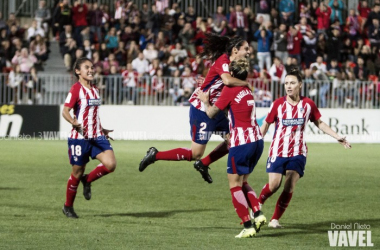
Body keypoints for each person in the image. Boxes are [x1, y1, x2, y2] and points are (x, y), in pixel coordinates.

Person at [139, 34, 250, 183]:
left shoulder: (234, 66)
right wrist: (246, 84)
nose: (249, 52)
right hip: (202, 110)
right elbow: (227, 81)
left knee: (233, 141)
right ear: (235, 50)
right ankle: (155, 155)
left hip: (215, 110)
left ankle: (204, 164)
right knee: (196, 154)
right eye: (246, 49)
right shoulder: (223, 60)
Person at [257, 68, 351, 228]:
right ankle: (257, 205)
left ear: (300, 85)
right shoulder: (278, 104)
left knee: (289, 185)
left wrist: (337, 137)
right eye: (286, 83)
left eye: (292, 83)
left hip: (298, 152)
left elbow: (319, 123)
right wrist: (256, 142)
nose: (288, 86)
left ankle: (274, 220)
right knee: (274, 185)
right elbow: (266, 124)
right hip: (278, 151)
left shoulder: (308, 104)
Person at [197, 58, 266, 238]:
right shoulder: (247, 89)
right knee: (243, 182)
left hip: (242, 142)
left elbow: (211, 114)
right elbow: (235, 109)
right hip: (257, 140)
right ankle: (258, 213)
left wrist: (205, 100)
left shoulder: (230, 89)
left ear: (232, 75)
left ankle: (247, 224)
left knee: (234, 185)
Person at [62, 58, 116, 218]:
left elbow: (93, 114)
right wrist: (73, 122)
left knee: (111, 164)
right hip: (79, 138)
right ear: (78, 71)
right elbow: (65, 111)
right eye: (87, 67)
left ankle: (88, 180)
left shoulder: (95, 90)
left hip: (97, 136)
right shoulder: (76, 89)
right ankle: (68, 207)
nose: (91, 70)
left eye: (92, 67)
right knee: (77, 173)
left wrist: (102, 129)